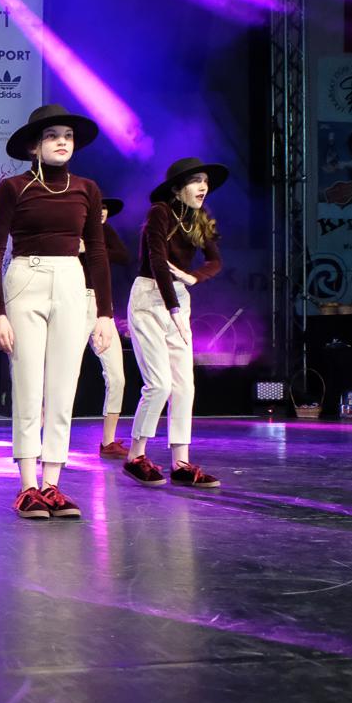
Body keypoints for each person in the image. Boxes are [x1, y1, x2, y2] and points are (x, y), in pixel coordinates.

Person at [0, 104, 116, 520]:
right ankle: (28, 485)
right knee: (28, 384)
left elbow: (98, 252)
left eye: (68, 136)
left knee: (64, 386)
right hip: (26, 278)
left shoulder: (87, 189)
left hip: (71, 280)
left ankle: (53, 483)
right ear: (34, 146)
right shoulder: (13, 187)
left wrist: (105, 313)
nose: (62, 142)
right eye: (52, 136)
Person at [123, 157, 226, 489]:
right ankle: (135, 456)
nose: (203, 187)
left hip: (178, 297)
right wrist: (173, 309)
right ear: (178, 188)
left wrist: (193, 277)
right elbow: (156, 261)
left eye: (205, 181)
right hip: (151, 298)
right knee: (159, 384)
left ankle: (181, 463)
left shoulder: (199, 217)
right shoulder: (160, 213)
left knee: (184, 385)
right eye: (196, 181)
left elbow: (215, 261)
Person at [86, 196, 132, 459]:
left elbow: (124, 256)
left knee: (117, 376)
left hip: (102, 305)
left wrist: (92, 249)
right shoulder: (73, 228)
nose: (102, 212)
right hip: (72, 301)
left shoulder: (104, 233)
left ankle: (108, 441)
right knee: (61, 375)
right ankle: (42, 440)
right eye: (99, 207)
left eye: (105, 209)